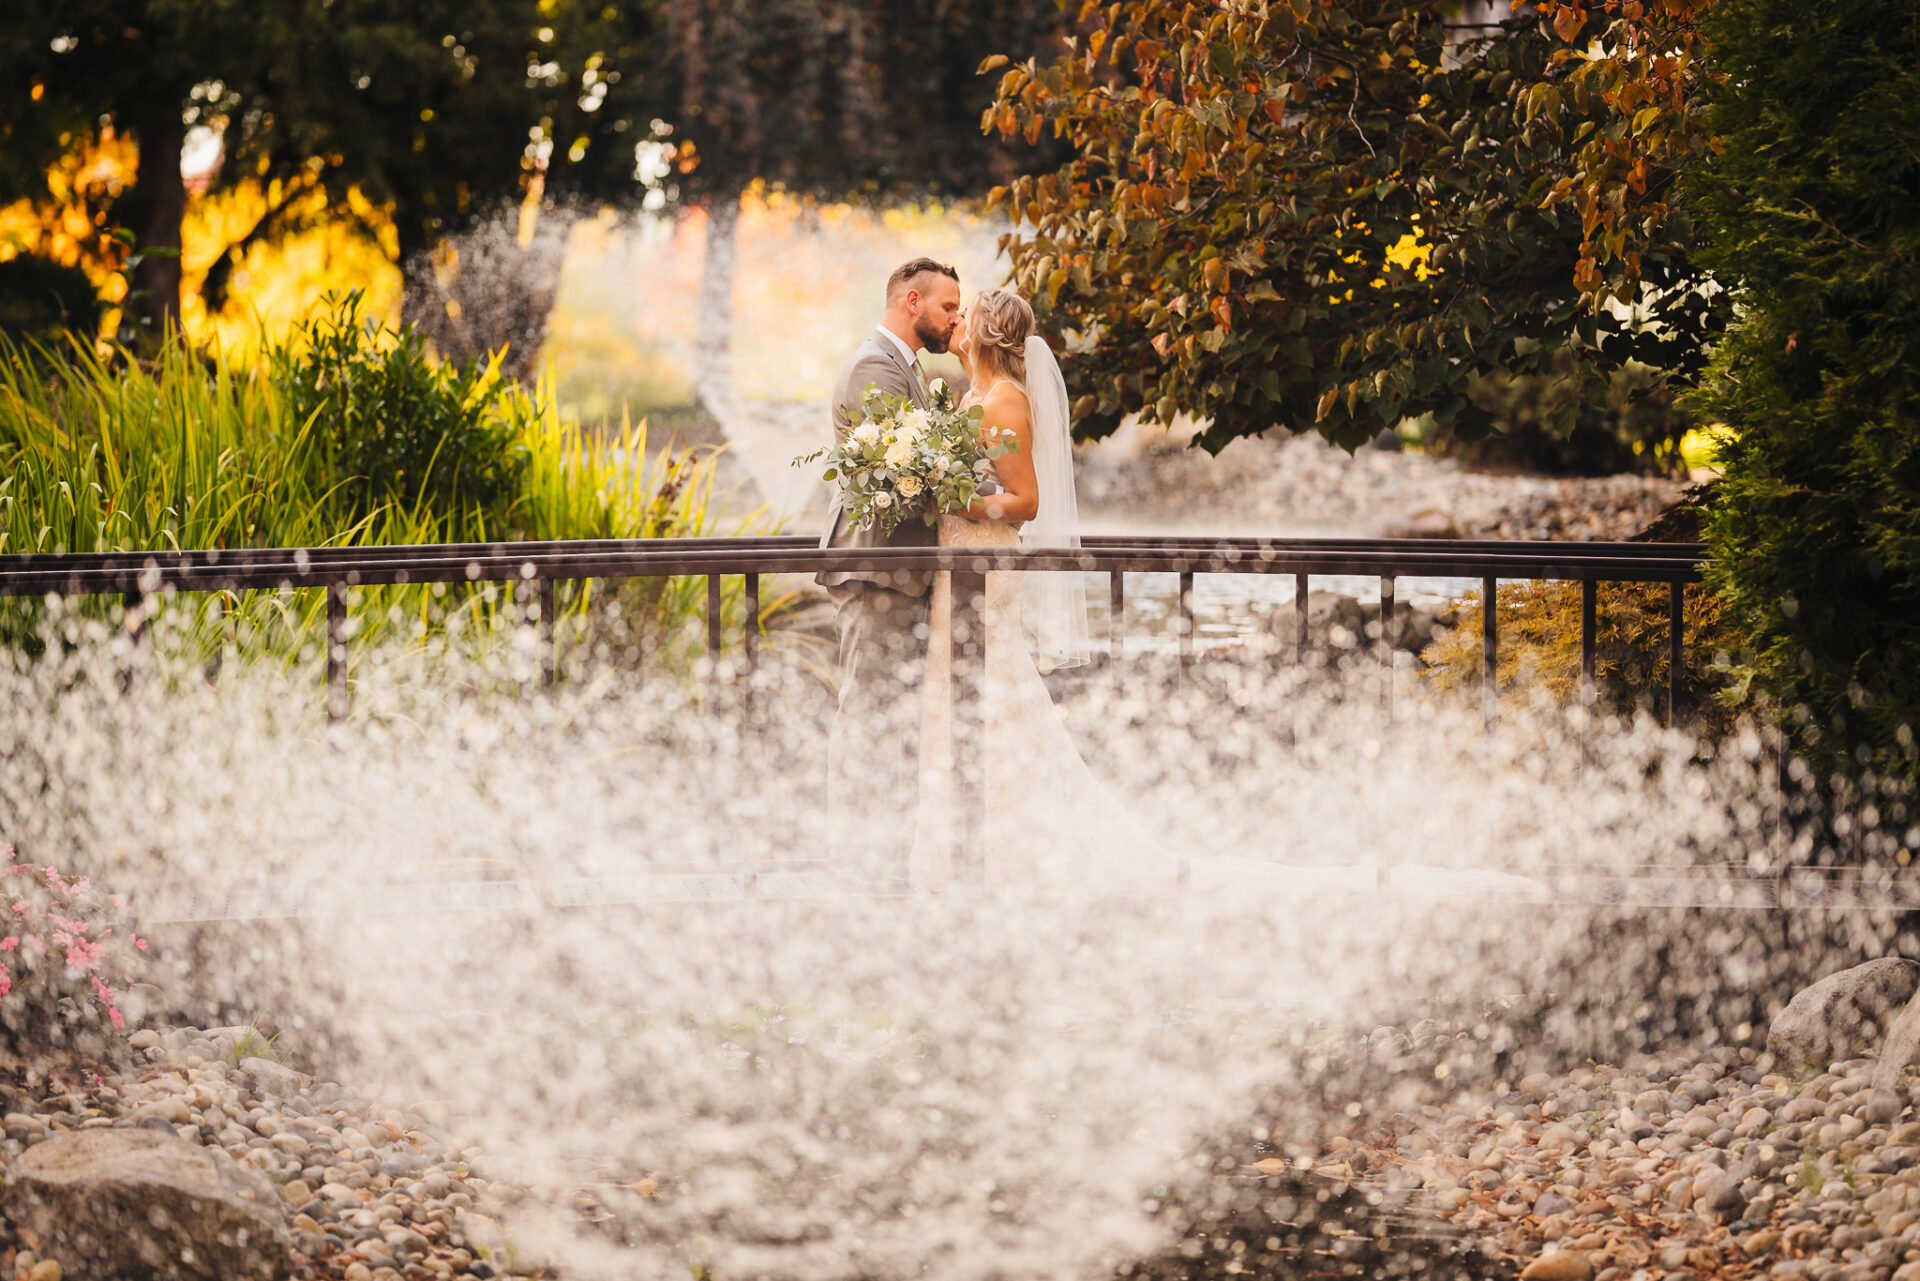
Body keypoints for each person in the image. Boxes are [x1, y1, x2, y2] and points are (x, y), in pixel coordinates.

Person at [909, 286, 1179, 891]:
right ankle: (962, 842)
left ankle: (1010, 848)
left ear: (984, 333)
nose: (955, 321)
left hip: (985, 564)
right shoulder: (974, 395)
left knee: (990, 687)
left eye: (965, 315)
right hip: (961, 561)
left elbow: (1026, 502)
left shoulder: (1004, 399)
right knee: (958, 687)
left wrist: (955, 501)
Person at [820, 257, 963, 889]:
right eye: (948, 307)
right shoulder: (874, 367)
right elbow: (903, 476)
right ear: (912, 301)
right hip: (877, 570)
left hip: (900, 572)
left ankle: (884, 864)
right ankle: (859, 870)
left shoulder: (906, 368)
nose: (954, 320)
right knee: (868, 717)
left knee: (893, 719)